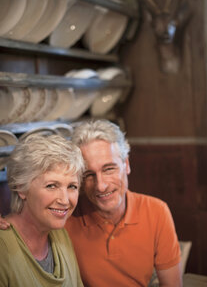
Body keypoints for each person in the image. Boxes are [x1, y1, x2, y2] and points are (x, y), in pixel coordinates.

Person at [0, 120, 182, 287]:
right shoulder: (63, 220)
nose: (101, 186)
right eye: (88, 175)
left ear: (126, 164)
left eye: (109, 168)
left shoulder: (156, 211)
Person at [0, 134, 84, 287]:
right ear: (21, 188)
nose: (65, 200)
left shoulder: (61, 235)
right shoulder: (2, 247)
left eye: (72, 186)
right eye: (51, 186)